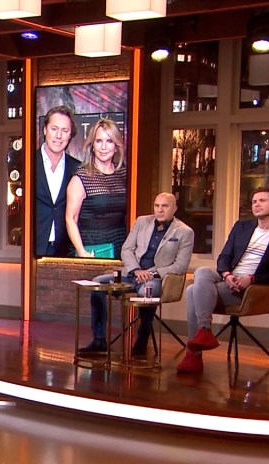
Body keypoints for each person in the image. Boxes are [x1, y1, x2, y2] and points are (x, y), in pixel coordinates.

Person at [177, 187, 269, 373]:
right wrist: (227, 275)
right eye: (254, 201)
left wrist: (251, 278)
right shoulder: (242, 227)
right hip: (229, 276)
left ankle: (195, 353)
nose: (256, 204)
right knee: (202, 271)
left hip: (249, 287)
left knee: (192, 291)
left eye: (262, 201)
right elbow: (224, 256)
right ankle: (204, 332)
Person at [78, 193, 194, 356]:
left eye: (165, 206)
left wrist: (151, 273)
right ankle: (99, 340)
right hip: (131, 273)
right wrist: (135, 270)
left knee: (146, 292)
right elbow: (127, 249)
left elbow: (180, 266)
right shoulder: (142, 222)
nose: (160, 210)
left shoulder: (185, 232)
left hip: (155, 278)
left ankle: (143, 336)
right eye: (157, 206)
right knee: (97, 283)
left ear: (174, 209)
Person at [65, 117, 128, 258]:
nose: (103, 147)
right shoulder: (81, 177)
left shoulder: (124, 174)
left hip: (121, 245)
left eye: (109, 141)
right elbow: (71, 219)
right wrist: (82, 252)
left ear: (116, 146)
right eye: (99, 141)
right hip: (91, 248)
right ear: (92, 145)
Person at [35, 105, 81, 257]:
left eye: (65, 130)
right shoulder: (28, 163)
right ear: (44, 130)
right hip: (33, 249)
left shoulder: (77, 168)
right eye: (54, 129)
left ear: (70, 135)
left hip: (66, 251)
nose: (59, 136)